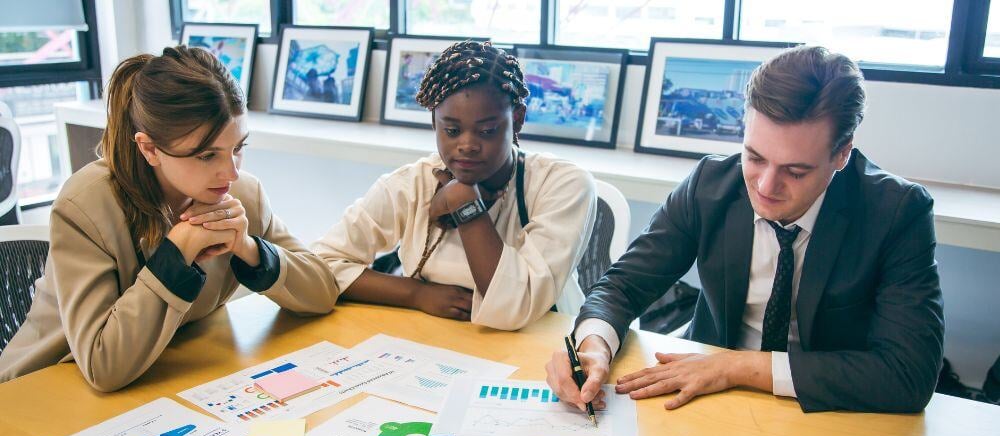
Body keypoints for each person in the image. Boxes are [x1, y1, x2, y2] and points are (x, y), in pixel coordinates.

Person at [546, 45, 944, 413]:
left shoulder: (896, 212)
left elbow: (907, 375)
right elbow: (623, 286)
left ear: (842, 153)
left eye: (796, 171)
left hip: (823, 407)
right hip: (709, 403)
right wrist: (593, 344)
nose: (766, 187)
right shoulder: (710, 184)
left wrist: (737, 367)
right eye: (754, 157)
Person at [0, 46, 339, 391]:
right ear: (149, 149)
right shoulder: (85, 206)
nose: (231, 172)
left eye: (237, 148)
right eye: (207, 155)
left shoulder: (242, 195)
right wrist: (177, 254)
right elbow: (103, 365)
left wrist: (249, 248)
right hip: (40, 389)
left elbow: (323, 291)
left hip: (156, 378)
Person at [313, 40, 596, 330]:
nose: (467, 145)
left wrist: (464, 203)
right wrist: (416, 294)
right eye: (452, 130)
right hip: (436, 343)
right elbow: (320, 266)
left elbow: (515, 307)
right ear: (434, 121)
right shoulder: (411, 184)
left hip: (539, 345)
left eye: (487, 131)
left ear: (518, 119)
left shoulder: (563, 184)